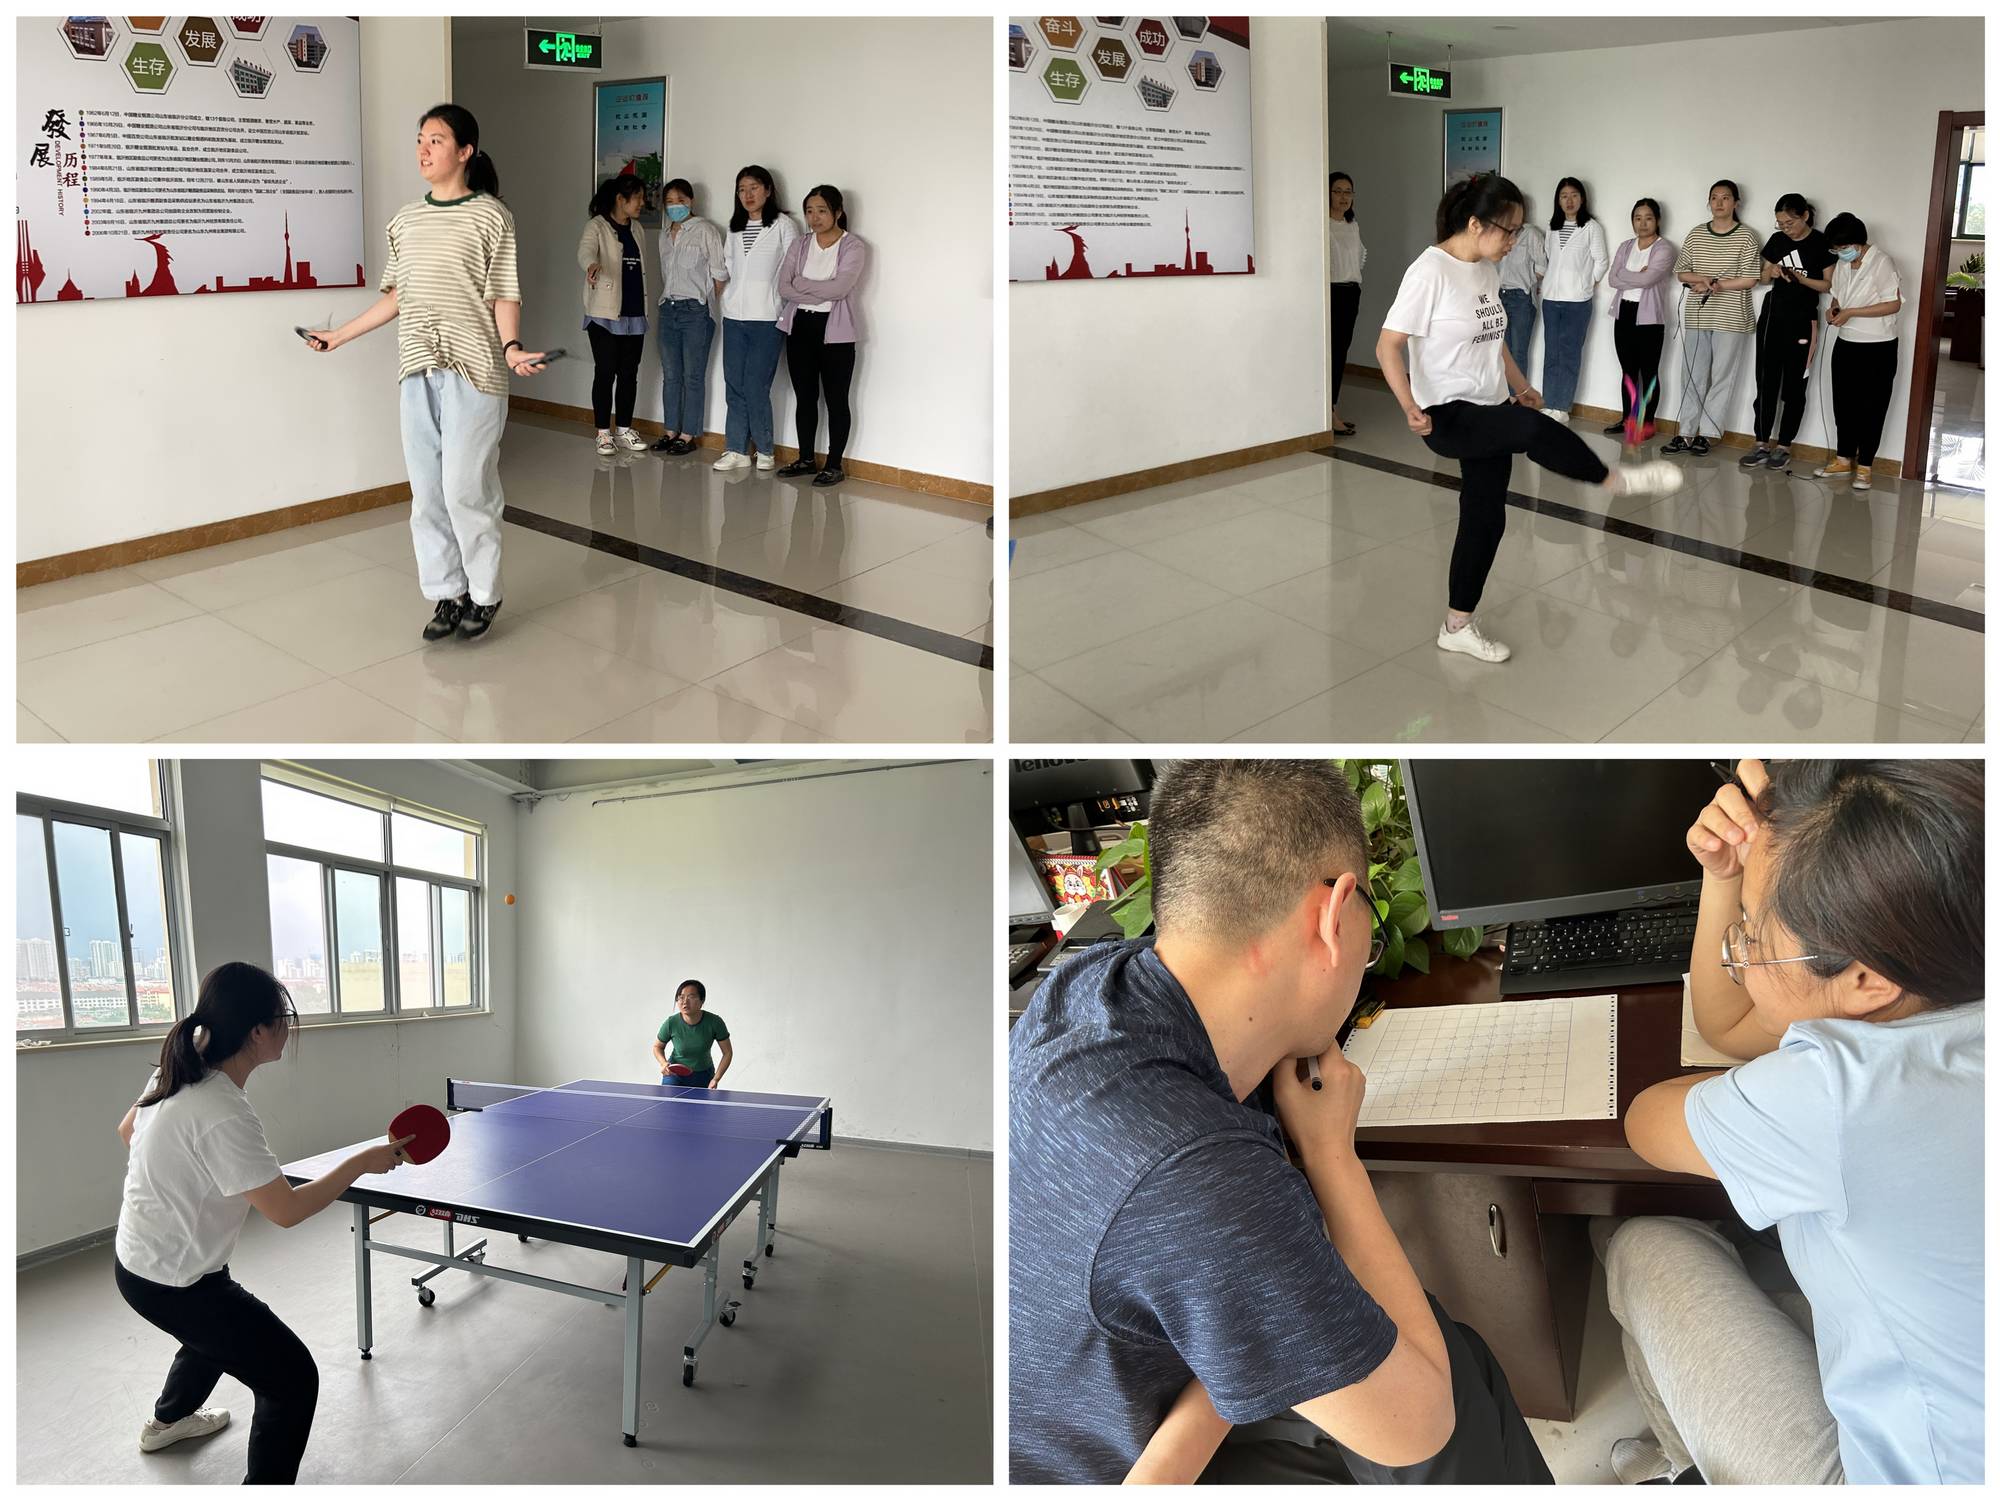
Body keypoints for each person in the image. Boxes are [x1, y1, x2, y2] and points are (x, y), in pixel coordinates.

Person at [1010, 760, 1555, 1485]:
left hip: (1095, 1406)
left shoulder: (1091, 983)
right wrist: (1332, 1156)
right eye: (1370, 923)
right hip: (1125, 1467)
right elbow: (1420, 1425)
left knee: (1459, 1356)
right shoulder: (1195, 1175)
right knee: (1448, 1401)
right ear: (1333, 916)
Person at [1599, 758, 1982, 1484]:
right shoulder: (1946, 961)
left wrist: (1779, 1094)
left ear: (1867, 979)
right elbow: (1729, 1024)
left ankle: (1683, 1469)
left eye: (1752, 935)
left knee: (1642, 1245)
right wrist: (1727, 876)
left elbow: (1646, 1120)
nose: (1739, 952)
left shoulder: (1834, 1096)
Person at [114, 963, 413, 1483]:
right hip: (175, 1281)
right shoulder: (223, 1110)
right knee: (291, 1381)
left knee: (213, 1332)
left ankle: (167, 1423)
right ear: (257, 1031)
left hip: (138, 1261)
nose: (288, 1030)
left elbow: (128, 1131)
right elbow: (285, 1211)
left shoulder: (177, 1069)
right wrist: (361, 1163)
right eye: (283, 1019)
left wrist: (186, 1184)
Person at [1376, 173, 1681, 665]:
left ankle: (1457, 626)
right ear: (1475, 224)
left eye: (1519, 230)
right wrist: (1408, 404)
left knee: (1485, 518)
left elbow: (1493, 338)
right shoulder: (1429, 271)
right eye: (1509, 230)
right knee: (1532, 429)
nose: (1515, 240)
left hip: (1491, 403)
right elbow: (1388, 345)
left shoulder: (1485, 269)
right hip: (1446, 414)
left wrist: (1520, 385)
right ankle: (1614, 480)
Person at [302, 104, 550, 642]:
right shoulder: (406, 220)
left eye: (436, 139)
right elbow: (398, 296)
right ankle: (448, 591)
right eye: (420, 139)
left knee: (465, 489)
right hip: (417, 370)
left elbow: (503, 293)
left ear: (465, 152)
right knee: (427, 494)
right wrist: (340, 335)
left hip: (477, 372)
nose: (423, 149)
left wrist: (511, 348)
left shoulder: (491, 216)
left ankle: (484, 593)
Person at [776, 185, 869, 487]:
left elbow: (840, 289)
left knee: (836, 400)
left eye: (822, 211)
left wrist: (803, 285)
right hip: (800, 327)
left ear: (838, 212)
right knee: (805, 397)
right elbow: (784, 287)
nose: (814, 217)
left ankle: (834, 464)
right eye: (809, 211)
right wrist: (820, 290)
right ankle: (806, 459)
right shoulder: (800, 244)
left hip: (835, 332)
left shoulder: (853, 246)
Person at [1663, 179, 1761, 457]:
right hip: (1698, 314)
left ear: (1736, 203)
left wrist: (1717, 285)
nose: (1719, 203)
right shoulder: (1696, 234)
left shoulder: (1747, 236)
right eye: (1714, 198)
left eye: (1725, 197)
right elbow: (1681, 272)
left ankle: (1708, 434)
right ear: (1709, 202)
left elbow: (1751, 278)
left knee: (1721, 377)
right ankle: (1685, 433)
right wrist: (1703, 279)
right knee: (1691, 375)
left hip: (1732, 317)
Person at [714, 165, 801, 472]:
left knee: (755, 385)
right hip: (734, 316)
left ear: (768, 190)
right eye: (742, 189)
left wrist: (783, 305)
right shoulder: (735, 227)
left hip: (767, 317)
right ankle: (736, 449)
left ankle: (764, 449)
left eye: (753, 188)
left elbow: (793, 268)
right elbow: (726, 267)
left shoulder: (783, 225)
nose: (747, 195)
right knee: (734, 384)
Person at [1741, 194, 1834, 472]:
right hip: (1772, 318)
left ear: (1805, 216)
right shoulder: (1777, 241)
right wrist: (1772, 272)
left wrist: (1800, 278)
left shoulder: (1821, 243)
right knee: (1765, 382)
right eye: (1780, 223)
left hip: (1803, 321)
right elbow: (1762, 277)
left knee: (1794, 386)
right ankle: (1760, 443)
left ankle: (1784, 446)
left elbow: (1827, 285)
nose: (1785, 228)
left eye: (1790, 223)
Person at [1814, 213, 1903, 491]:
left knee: (1872, 407)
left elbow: (1893, 304)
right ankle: (1843, 459)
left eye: (1843, 248)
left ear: (1858, 242)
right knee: (1843, 403)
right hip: (1846, 343)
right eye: (1835, 250)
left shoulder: (1882, 262)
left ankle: (1865, 466)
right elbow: (1837, 296)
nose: (1840, 253)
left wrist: (1852, 312)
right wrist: (1834, 310)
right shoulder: (1843, 264)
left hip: (1878, 345)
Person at [648, 178, 727, 456]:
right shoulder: (663, 235)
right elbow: (666, 274)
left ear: (690, 201)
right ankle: (670, 431)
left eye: (680, 200)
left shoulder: (705, 230)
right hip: (668, 309)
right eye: (669, 202)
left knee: (693, 376)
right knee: (671, 375)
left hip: (696, 311)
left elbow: (719, 274)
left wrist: (704, 301)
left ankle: (687, 434)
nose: (675, 206)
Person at [578, 172, 652, 457]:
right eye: (638, 198)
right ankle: (603, 433)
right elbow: (585, 251)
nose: (642, 203)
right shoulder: (597, 225)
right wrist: (591, 265)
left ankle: (623, 429)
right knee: (605, 372)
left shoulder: (637, 229)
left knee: (629, 374)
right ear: (621, 199)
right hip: (604, 313)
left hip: (634, 312)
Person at [1537, 177, 1609, 423]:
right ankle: (1549, 403)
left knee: (1569, 355)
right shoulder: (1552, 226)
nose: (1569, 200)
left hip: (1577, 301)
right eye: (1564, 196)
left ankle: (1562, 407)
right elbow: (1549, 258)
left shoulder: (1591, 227)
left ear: (1582, 198)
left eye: (1574, 195)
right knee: (1551, 353)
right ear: (1558, 200)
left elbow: (1601, 261)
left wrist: (1587, 283)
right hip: (1551, 299)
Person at [1603, 199, 1675, 440]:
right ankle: (1628, 420)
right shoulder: (1625, 246)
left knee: (1649, 372)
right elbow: (1612, 279)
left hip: (1650, 319)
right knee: (1628, 372)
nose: (1642, 223)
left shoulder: (1664, 249)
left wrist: (1627, 275)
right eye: (1638, 218)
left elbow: (1647, 280)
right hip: (1624, 313)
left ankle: (1647, 424)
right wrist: (1637, 275)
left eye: (1648, 218)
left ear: (1658, 220)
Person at [1326, 172, 1367, 436]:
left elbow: (1358, 259)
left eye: (1348, 191)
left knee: (1341, 353)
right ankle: (1328, 413)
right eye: (1338, 191)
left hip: (1351, 293)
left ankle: (1332, 409)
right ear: (1328, 193)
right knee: (1330, 353)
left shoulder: (1352, 225)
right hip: (1331, 293)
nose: (1343, 197)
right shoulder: (1323, 225)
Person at [651, 979, 733, 1089]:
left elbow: (727, 1052)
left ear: (702, 1000)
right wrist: (663, 1063)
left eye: (691, 997)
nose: (685, 1001)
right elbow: (657, 1047)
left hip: (704, 1074)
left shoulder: (715, 1022)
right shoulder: (671, 1023)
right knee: (668, 1099)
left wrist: (716, 1079)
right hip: (675, 1074)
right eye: (681, 997)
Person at [1496, 205, 1547, 377]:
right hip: (1500, 296)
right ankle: (1505, 393)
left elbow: (1542, 266)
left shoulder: (1530, 233)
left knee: (1518, 353)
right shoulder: (1498, 234)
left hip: (1521, 298)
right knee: (1502, 352)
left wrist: (1527, 281)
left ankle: (1518, 393)